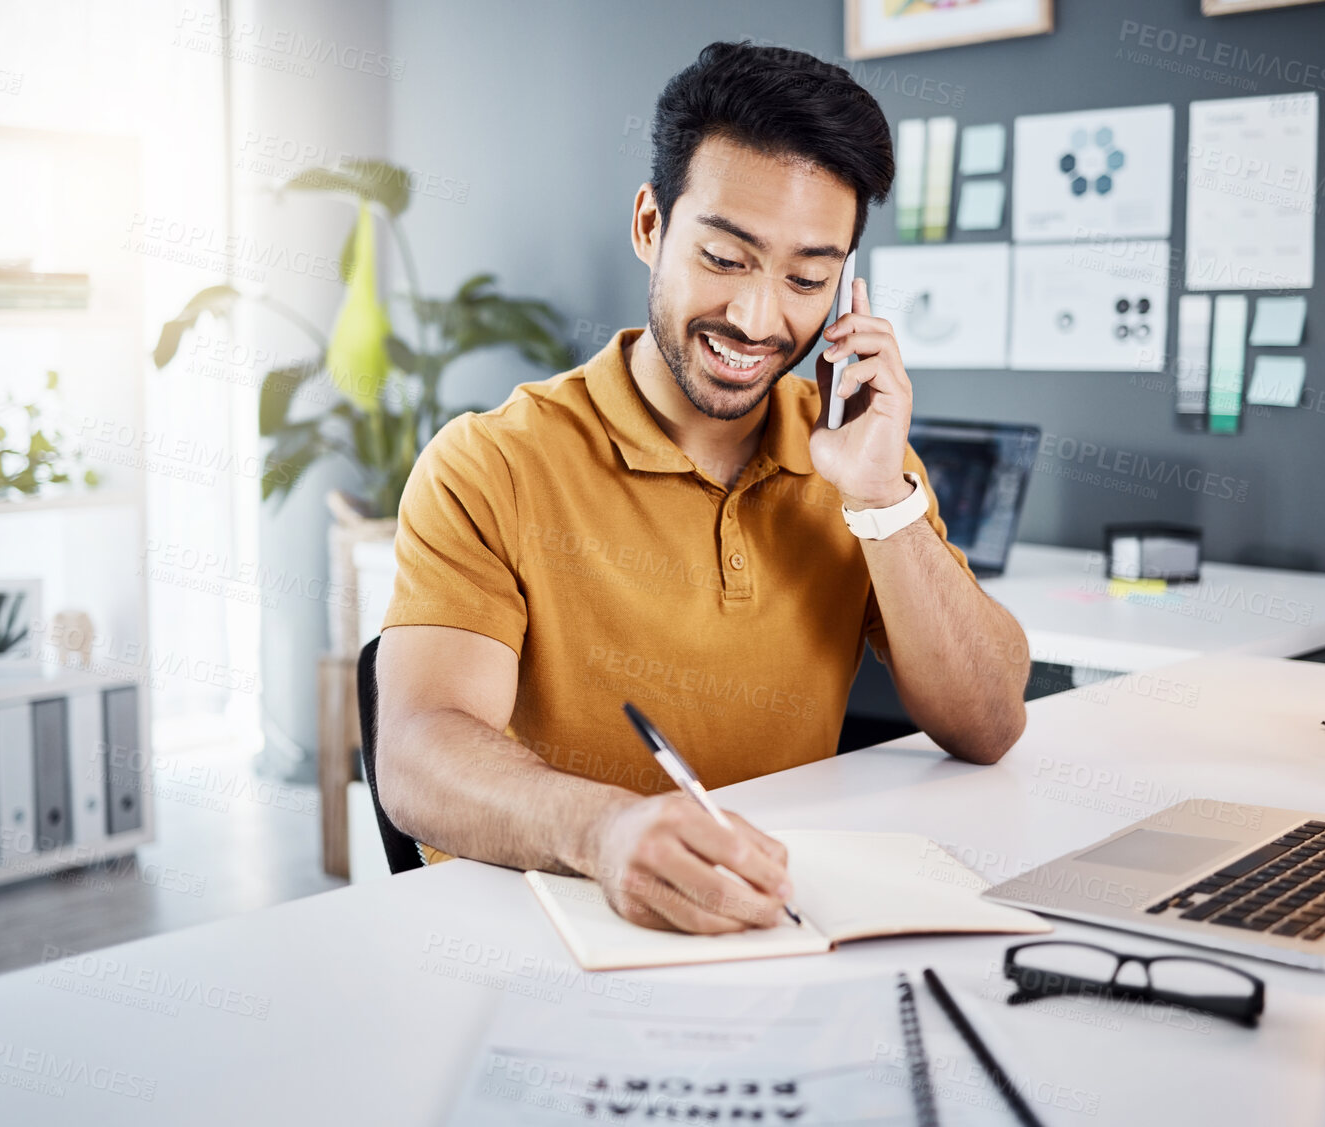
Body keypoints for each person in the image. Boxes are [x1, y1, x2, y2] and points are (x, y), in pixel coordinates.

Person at [375, 41, 1030, 935]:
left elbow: (990, 721)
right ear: (651, 226)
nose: (761, 319)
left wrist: (883, 499)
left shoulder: (853, 456)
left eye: (807, 278)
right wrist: (604, 831)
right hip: (545, 929)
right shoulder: (490, 463)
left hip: (767, 921)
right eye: (724, 258)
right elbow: (415, 752)